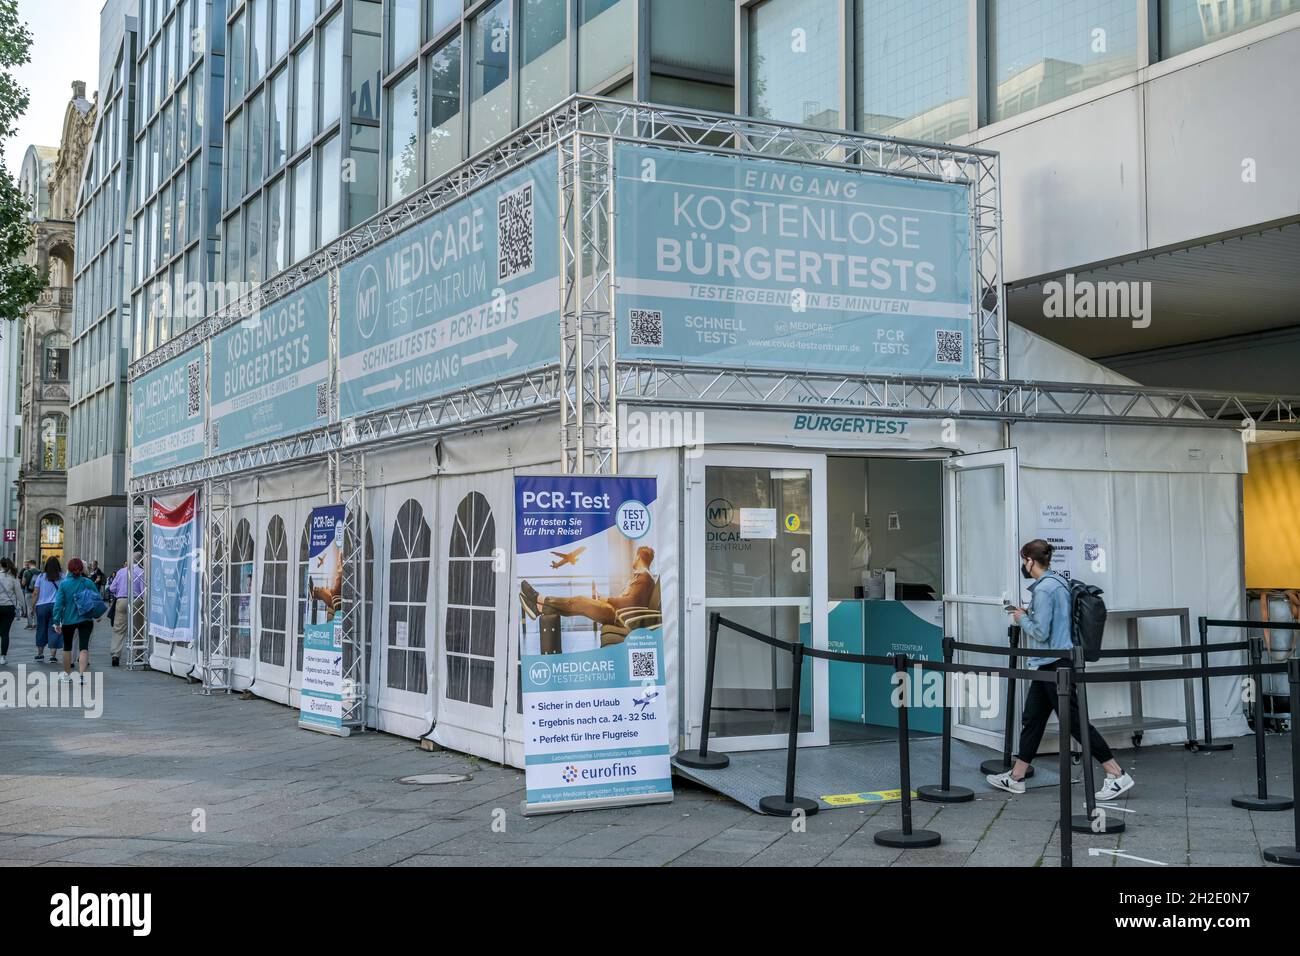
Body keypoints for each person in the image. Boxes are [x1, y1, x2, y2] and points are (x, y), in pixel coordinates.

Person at [987, 538, 1135, 802]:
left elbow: (1041, 632)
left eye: (1024, 560)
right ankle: (1016, 776)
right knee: (1033, 718)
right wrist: (1029, 613)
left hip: (1054, 663)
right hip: (1052, 662)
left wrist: (1020, 618)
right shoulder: (1057, 582)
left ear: (1031, 561)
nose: (1023, 565)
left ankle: (1116, 773)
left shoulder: (1044, 589)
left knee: (1076, 722)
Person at [519, 546, 658, 625]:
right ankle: (539, 607)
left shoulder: (645, 578)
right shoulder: (642, 577)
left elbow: (631, 602)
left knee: (579, 600)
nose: (633, 559)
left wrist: (607, 599)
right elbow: (632, 600)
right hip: (619, 613)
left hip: (619, 616)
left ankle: (539, 599)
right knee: (578, 607)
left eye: (635, 556)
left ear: (639, 557)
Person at [53, 557, 101, 684]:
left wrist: (56, 621)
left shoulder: (64, 584)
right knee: (84, 647)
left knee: (67, 647)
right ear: (82, 569)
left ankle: (67, 675)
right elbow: (97, 599)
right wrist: (98, 614)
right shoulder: (88, 582)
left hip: (68, 619)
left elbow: (58, 604)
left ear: (69, 569)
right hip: (86, 619)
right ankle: (82, 677)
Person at [108, 551, 145, 667]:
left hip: (122, 600)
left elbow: (112, 588)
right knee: (138, 628)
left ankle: (115, 654)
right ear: (140, 561)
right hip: (137, 601)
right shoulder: (141, 572)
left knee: (118, 629)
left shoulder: (121, 572)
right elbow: (144, 591)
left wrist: (119, 592)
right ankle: (138, 654)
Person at [32, 557, 62, 663]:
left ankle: (40, 654)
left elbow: (35, 592)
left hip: (41, 606)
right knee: (54, 629)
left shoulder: (41, 576)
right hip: (56, 606)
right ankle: (53, 655)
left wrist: (32, 605)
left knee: (41, 628)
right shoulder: (61, 577)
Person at [0, 557, 24, 664]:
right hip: (9, 607)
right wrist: (24, 607)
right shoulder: (13, 578)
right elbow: (19, 594)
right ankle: (3, 657)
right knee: (5, 633)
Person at [21, 559, 37, 628]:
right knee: (35, 608)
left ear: (30, 564)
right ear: (35, 564)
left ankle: (30, 624)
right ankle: (36, 623)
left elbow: (23, 583)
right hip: (36, 592)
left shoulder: (26, 572)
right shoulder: (40, 572)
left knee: (29, 607)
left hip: (28, 592)